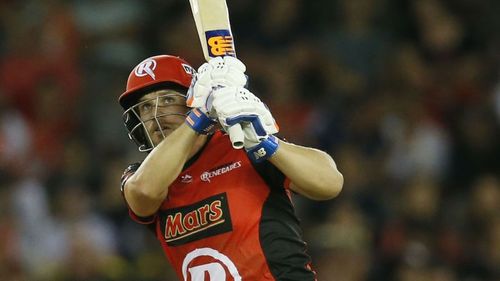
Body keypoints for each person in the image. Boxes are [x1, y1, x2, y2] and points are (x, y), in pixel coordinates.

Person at [118, 54, 344, 281]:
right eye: (145, 106)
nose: (155, 114)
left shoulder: (240, 144)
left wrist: (267, 142)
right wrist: (200, 117)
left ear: (191, 100)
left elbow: (330, 183)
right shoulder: (141, 175)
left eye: (167, 100)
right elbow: (144, 191)